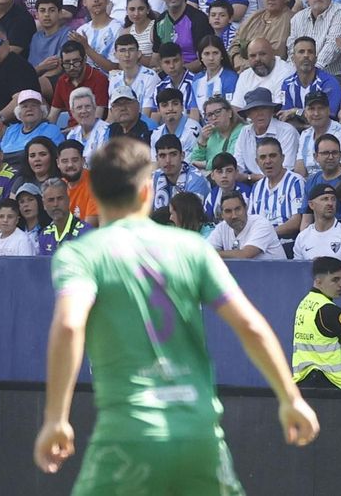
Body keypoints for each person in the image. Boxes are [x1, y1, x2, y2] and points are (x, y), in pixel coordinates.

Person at [32, 137, 319, 488]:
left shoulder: (80, 254)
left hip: (126, 439)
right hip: (200, 436)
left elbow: (68, 325)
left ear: (93, 190)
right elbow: (250, 326)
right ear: (147, 191)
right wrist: (290, 399)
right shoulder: (192, 248)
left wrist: (56, 418)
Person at [291, 256, 341, 389]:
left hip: (303, 380)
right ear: (318, 282)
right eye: (335, 280)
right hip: (328, 382)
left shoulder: (305, 303)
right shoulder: (329, 310)